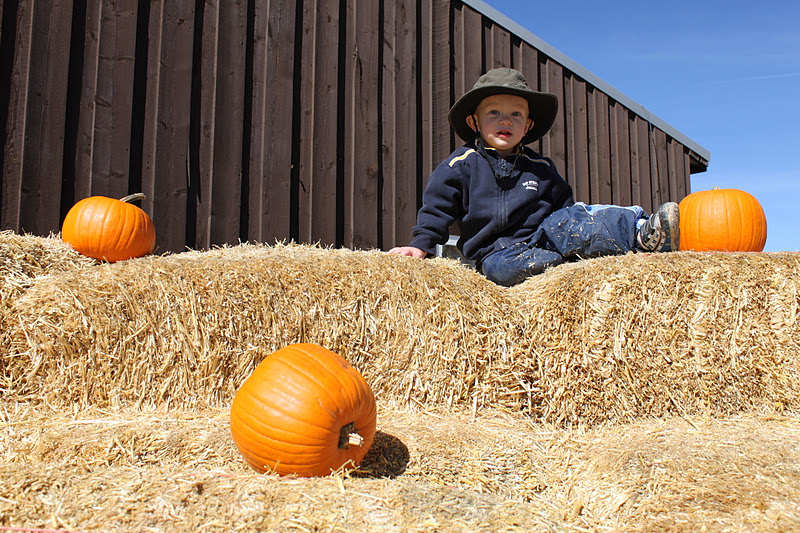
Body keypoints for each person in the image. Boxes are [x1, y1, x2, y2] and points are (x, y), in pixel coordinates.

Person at [387, 67, 679, 286]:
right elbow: (437, 208)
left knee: (571, 225)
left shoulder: (540, 167)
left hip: (545, 237)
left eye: (516, 115)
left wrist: (576, 225)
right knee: (500, 272)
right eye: (494, 112)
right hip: (498, 254)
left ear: (527, 127)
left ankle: (642, 232)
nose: (505, 120)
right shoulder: (460, 166)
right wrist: (420, 244)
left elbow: (567, 208)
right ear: (473, 121)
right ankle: (568, 265)